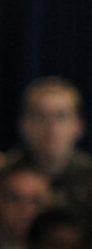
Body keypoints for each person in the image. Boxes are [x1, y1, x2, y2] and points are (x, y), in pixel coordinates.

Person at [8, 76, 92, 226]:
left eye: (61, 116)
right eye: (41, 116)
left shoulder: (88, 177)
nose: (51, 127)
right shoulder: (7, 177)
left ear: (78, 126)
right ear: (25, 125)